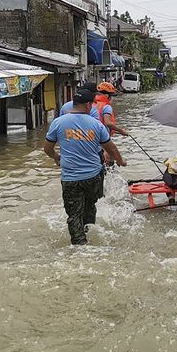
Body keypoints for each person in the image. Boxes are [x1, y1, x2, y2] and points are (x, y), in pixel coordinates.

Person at [44, 89, 126, 245]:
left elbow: (47, 148)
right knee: (90, 207)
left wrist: (56, 158)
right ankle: (89, 232)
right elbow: (111, 148)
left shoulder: (58, 122)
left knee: (74, 214)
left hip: (70, 179)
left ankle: (79, 245)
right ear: (89, 105)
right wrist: (121, 161)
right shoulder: (96, 124)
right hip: (93, 177)